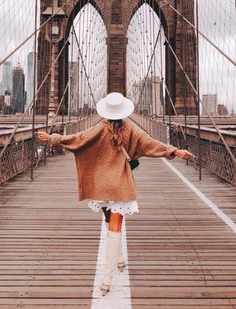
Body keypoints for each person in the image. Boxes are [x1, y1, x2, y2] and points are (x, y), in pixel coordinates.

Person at [37, 92, 194, 296]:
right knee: (113, 223)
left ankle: (107, 277)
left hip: (100, 182)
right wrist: (173, 151)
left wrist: (53, 138)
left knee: (112, 222)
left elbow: (79, 139)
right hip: (119, 182)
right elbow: (149, 143)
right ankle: (116, 264)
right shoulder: (131, 128)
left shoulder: (100, 127)